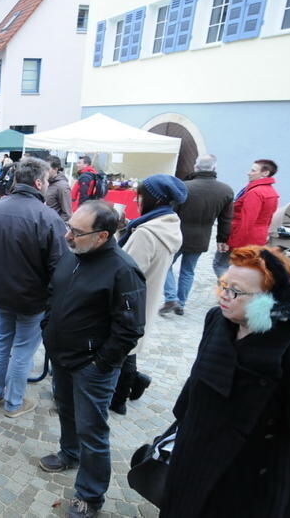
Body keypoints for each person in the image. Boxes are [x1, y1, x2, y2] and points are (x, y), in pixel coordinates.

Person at [161, 246, 290, 517]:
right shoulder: (217, 319)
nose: (224, 296)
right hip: (190, 458)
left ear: (271, 300)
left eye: (236, 291)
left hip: (242, 480)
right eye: (223, 286)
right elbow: (197, 381)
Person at [40, 200, 146, 518]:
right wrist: (48, 327)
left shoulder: (124, 270)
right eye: (68, 226)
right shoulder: (73, 254)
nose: (66, 235)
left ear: (101, 236)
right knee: (67, 412)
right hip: (61, 357)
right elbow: (54, 293)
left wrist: (99, 364)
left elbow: (130, 330)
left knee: (93, 431)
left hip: (92, 368)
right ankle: (68, 453)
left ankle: (90, 497)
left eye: (76, 231)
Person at [0, 157, 68, 417]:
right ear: (39, 182)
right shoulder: (47, 217)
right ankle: (13, 402)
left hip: (2, 290)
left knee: (1, 342)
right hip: (32, 297)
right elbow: (60, 265)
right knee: (21, 350)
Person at [111, 175, 187, 415]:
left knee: (121, 348)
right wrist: (127, 228)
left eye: (140, 195)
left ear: (154, 199)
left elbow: (126, 270)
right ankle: (133, 383)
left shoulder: (146, 232)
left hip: (132, 301)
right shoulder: (167, 224)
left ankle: (119, 399)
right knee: (129, 348)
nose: (137, 199)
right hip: (147, 298)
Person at [161, 154, 233, 316]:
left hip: (178, 234)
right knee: (188, 271)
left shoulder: (184, 187)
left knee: (166, 265)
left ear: (196, 167)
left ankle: (171, 297)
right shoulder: (225, 190)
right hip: (201, 237)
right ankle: (181, 302)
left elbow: (171, 212)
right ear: (214, 168)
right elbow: (226, 218)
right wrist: (222, 239)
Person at [215, 159, 280, 277]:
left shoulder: (255, 192)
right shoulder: (271, 192)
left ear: (265, 173)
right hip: (258, 237)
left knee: (220, 264)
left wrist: (231, 243)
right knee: (245, 269)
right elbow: (269, 218)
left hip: (243, 237)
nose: (248, 173)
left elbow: (247, 221)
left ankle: (230, 291)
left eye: (253, 170)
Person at [45, 156, 72, 222]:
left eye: (47, 168)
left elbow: (67, 214)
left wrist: (54, 225)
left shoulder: (62, 186)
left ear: (55, 169)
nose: (45, 171)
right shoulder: (46, 182)